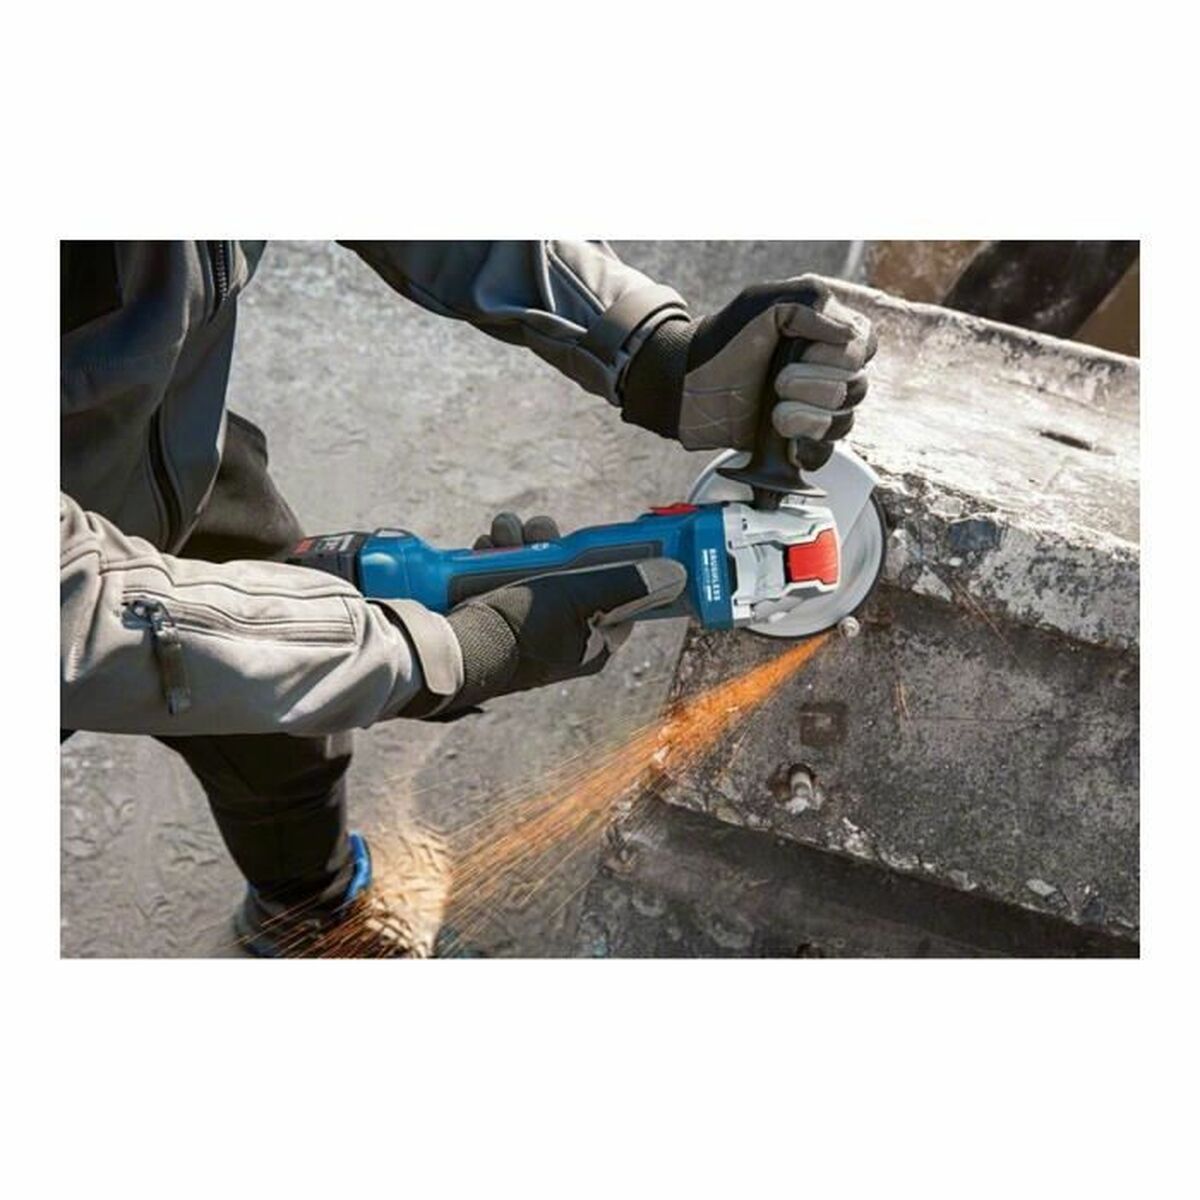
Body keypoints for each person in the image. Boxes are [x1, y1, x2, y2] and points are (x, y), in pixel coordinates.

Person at [60, 241, 875, 956]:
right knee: (313, 654)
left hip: (162, 446)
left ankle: (307, 912)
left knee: (291, 726)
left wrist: (644, 346)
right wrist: (434, 653)